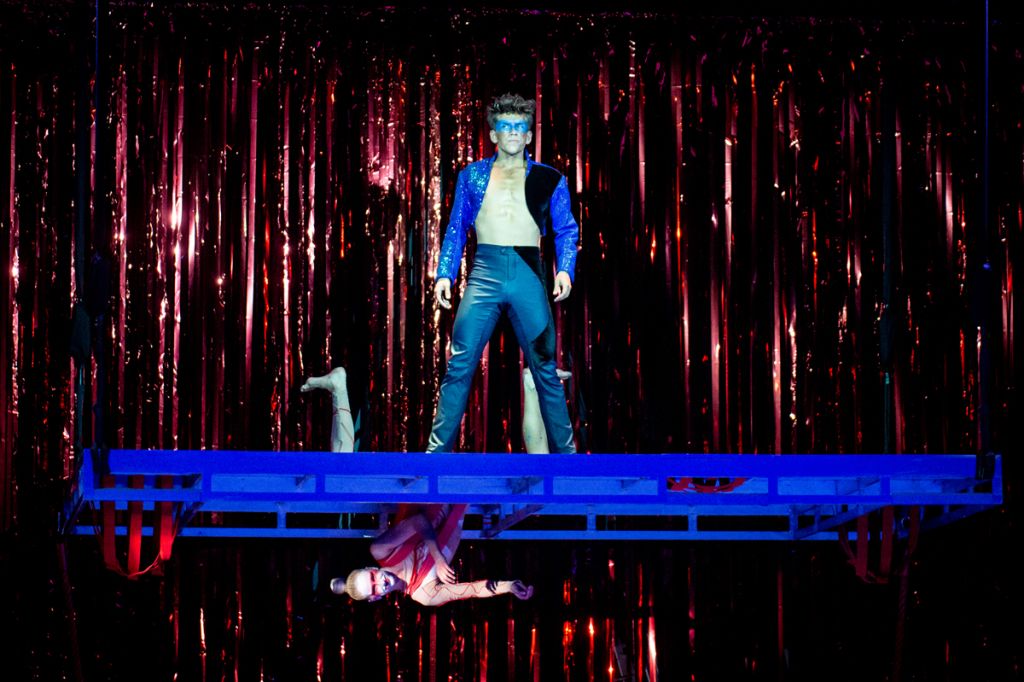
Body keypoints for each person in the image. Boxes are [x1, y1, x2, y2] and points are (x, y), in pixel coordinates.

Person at [427, 93, 580, 454]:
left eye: (519, 126)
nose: (512, 132)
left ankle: (569, 461)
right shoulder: (472, 176)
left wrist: (565, 270)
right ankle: (435, 458)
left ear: (529, 135)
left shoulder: (549, 179)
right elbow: (456, 228)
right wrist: (445, 273)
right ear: (494, 133)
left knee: (544, 366)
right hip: (485, 272)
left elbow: (566, 230)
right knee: (460, 363)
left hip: (528, 272)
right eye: (505, 126)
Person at [331, 504, 534, 606]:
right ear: (375, 598)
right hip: (462, 498)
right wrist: (509, 586)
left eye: (373, 577)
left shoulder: (381, 550)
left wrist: (438, 558)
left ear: (370, 569)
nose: (380, 582)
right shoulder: (424, 595)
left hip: (433, 481)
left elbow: (418, 521)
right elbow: (473, 590)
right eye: (375, 588)